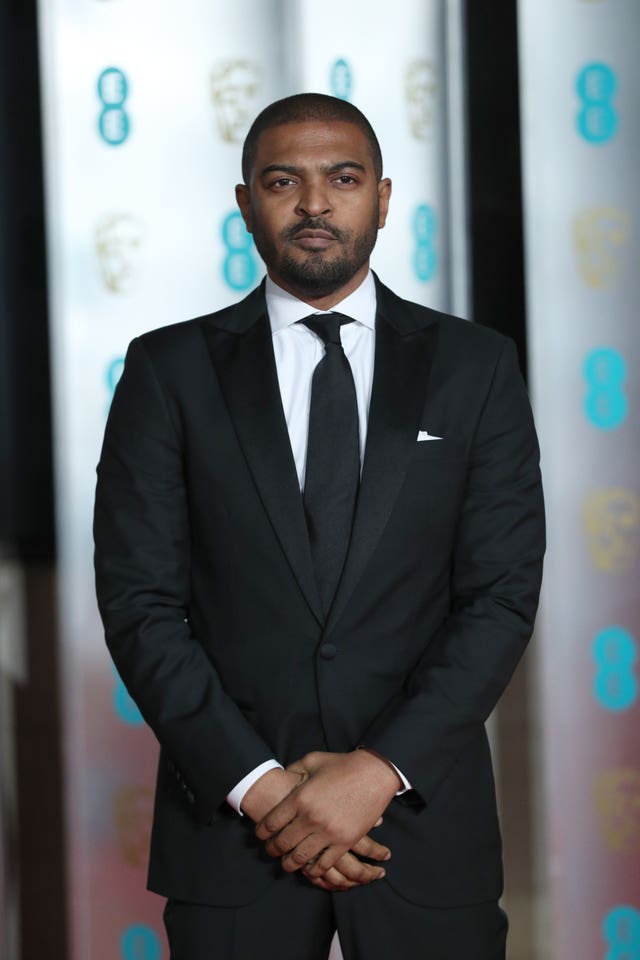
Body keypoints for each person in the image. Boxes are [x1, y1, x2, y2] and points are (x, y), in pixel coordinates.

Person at [94, 93, 545, 959]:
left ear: (381, 197)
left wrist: (376, 774)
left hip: (423, 829)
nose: (313, 205)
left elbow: (499, 597)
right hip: (232, 841)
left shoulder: (474, 366)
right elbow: (140, 604)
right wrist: (263, 790)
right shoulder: (167, 370)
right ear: (244, 205)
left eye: (342, 179)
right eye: (282, 181)